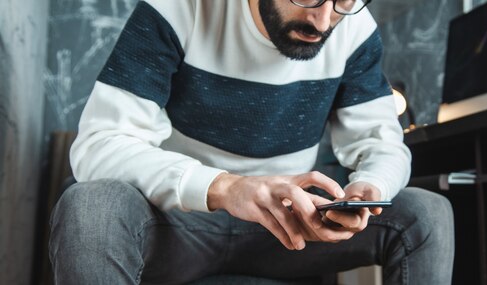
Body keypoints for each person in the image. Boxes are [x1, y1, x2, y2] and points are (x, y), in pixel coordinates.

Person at [49, 0, 455, 284]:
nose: (323, 20)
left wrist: (370, 190)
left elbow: (382, 143)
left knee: (426, 211)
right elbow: (99, 144)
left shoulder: (353, 28)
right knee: (92, 207)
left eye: (344, 0)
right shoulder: (177, 8)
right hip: (179, 225)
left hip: (289, 232)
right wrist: (226, 188)